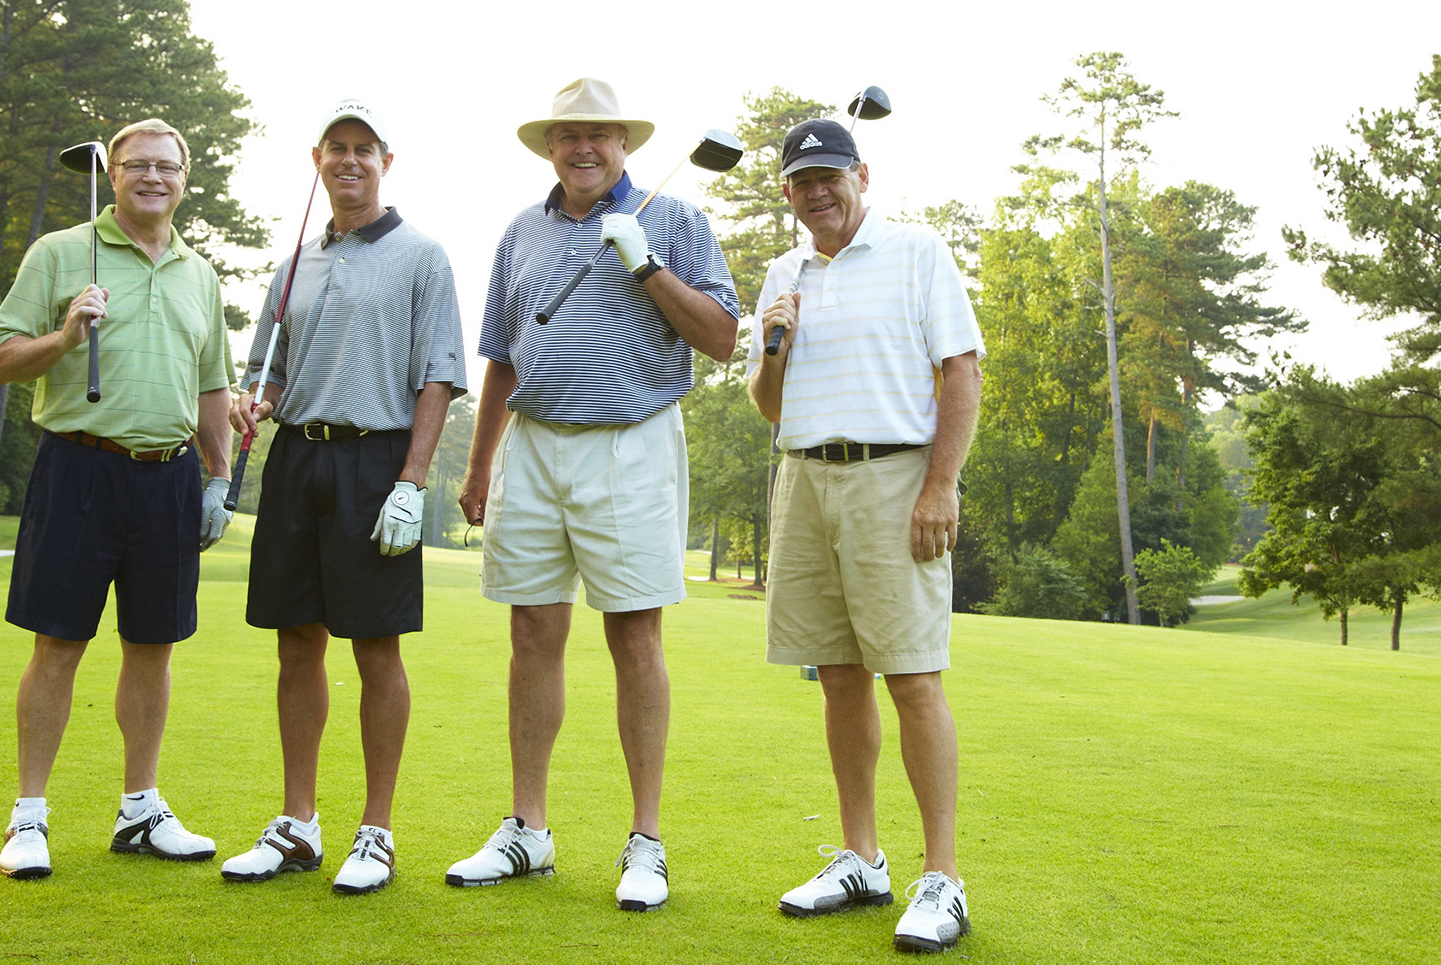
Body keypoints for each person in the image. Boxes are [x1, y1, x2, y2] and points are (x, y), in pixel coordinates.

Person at [450, 77, 739, 911]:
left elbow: (720, 338)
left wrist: (643, 263)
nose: (584, 148)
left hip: (632, 439)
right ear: (551, 146)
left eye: (600, 135)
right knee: (532, 631)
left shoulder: (674, 218)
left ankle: (645, 841)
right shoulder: (520, 231)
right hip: (534, 443)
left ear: (626, 146)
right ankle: (528, 830)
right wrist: (478, 466)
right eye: (569, 134)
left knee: (634, 637)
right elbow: (501, 357)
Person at [745, 116, 984, 954]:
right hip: (804, 476)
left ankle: (942, 878)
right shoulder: (784, 270)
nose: (819, 191)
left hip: (895, 476)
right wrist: (775, 344)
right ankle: (861, 856)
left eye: (831, 175)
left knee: (913, 678)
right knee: (838, 676)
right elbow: (768, 405)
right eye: (802, 181)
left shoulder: (918, 252)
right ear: (787, 194)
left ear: (861, 175)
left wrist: (940, 484)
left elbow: (962, 369)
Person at [219, 101, 466, 893]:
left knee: (375, 648)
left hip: (376, 461)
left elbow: (438, 376)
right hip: (297, 460)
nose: (350, 161)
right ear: (317, 159)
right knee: (297, 642)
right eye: (337, 149)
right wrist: (258, 399)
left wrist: (412, 481)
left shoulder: (423, 256)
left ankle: (377, 832)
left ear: (385, 160)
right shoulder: (294, 262)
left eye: (364, 149)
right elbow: (273, 369)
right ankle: (297, 824)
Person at [0, 117, 236, 880]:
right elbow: (0, 359)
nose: (152, 177)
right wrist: (64, 338)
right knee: (59, 642)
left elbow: (212, 385)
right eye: (137, 165)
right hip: (79, 468)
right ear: (113, 172)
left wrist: (219, 477)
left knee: (153, 646)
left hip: (168, 477)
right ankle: (29, 817)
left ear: (185, 178)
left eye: (167, 166)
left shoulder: (200, 272)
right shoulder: (62, 252)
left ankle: (140, 808)